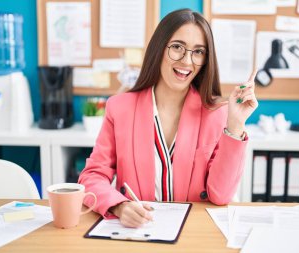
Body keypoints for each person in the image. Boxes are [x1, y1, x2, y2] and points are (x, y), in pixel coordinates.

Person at [78, 8, 258, 228]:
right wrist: (119, 206)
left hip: (195, 232)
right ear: (159, 49)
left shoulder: (216, 113)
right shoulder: (120, 108)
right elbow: (92, 177)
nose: (187, 61)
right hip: (139, 232)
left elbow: (220, 196)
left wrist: (236, 125)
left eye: (198, 51)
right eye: (177, 47)